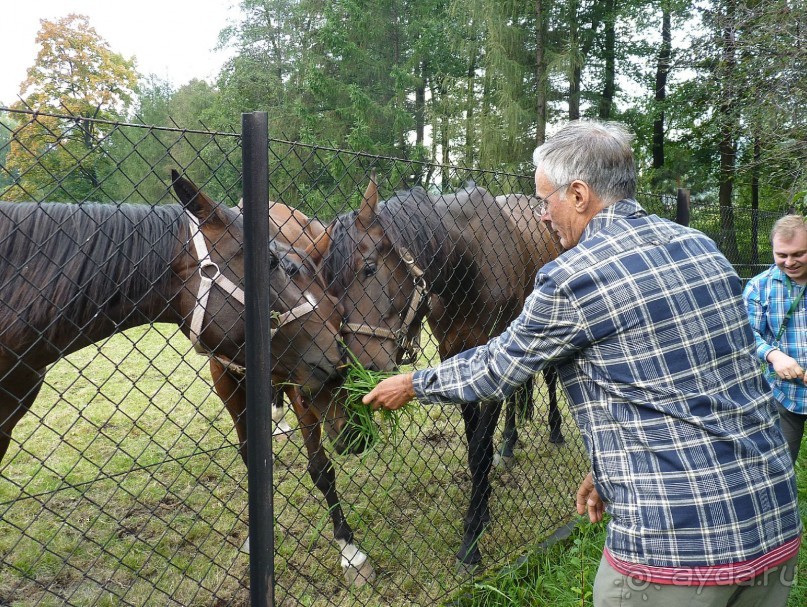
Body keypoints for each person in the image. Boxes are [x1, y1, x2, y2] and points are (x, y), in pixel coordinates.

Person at [363, 120, 802, 606]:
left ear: (578, 194)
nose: (540, 215)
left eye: (543, 199)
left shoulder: (575, 277)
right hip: (773, 514)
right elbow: (702, 375)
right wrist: (613, 467)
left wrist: (414, 383)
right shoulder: (700, 247)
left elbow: (498, 366)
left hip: (679, 546)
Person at [743, 214, 807, 463]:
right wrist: (774, 355)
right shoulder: (759, 287)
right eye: (782, 255)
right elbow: (746, 334)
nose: (789, 262)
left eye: (798, 254)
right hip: (782, 394)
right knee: (778, 466)